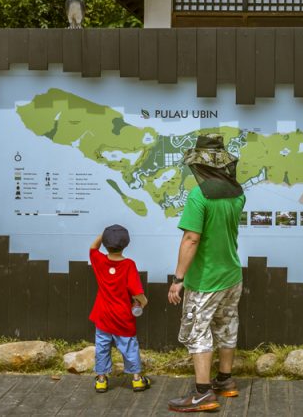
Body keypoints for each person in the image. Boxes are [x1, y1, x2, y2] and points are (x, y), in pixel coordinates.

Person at [167, 134, 246, 413]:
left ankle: (202, 394)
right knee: (226, 326)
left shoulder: (199, 195)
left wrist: (178, 279)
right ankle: (225, 381)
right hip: (232, 275)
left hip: (206, 279)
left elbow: (191, 238)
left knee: (198, 332)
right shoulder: (238, 192)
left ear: (199, 164)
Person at [89, 224, 150, 393]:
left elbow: (93, 248)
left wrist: (104, 234)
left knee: (102, 348)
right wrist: (143, 302)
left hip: (103, 317)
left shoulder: (99, 260)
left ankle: (101, 380)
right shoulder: (129, 265)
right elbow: (137, 293)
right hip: (123, 318)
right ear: (126, 243)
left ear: (106, 243)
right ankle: (137, 380)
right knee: (130, 347)